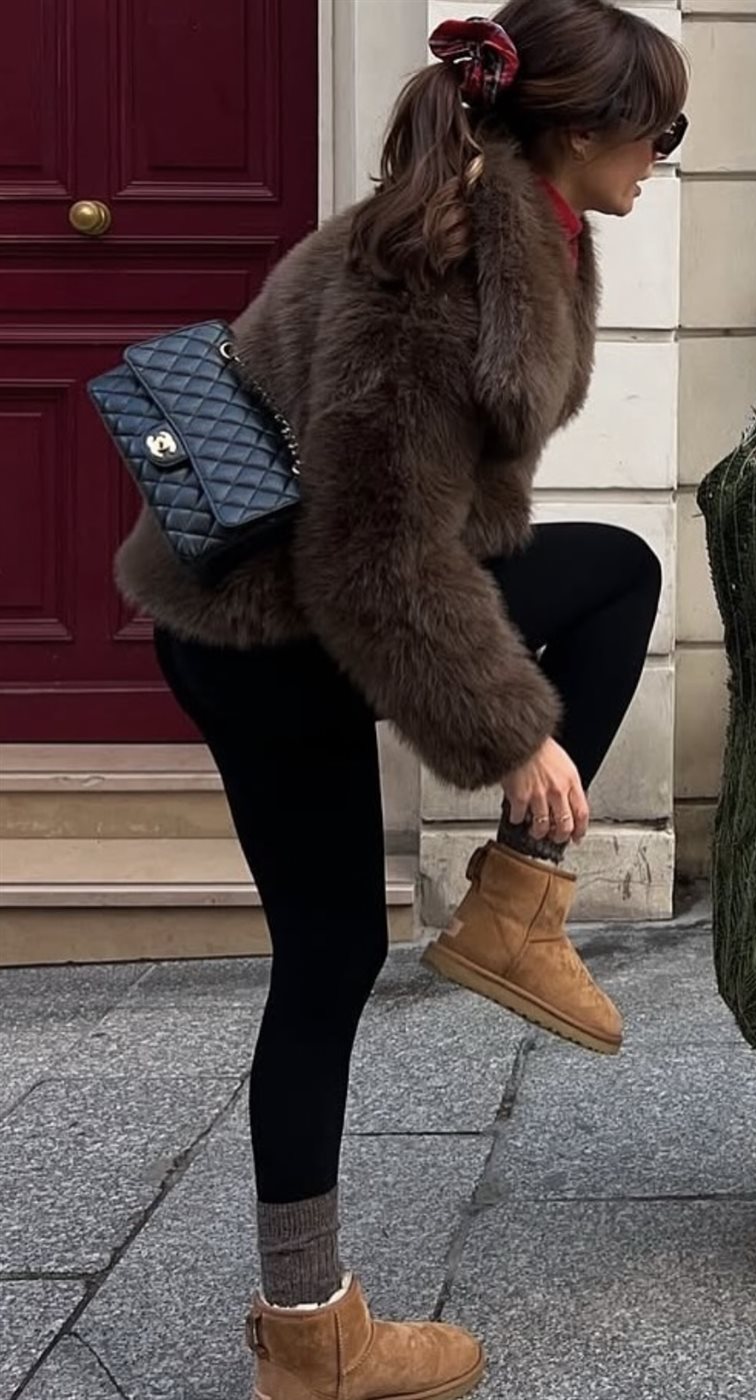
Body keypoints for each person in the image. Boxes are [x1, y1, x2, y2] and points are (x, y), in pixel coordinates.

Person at [115, 1, 689, 1395]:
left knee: (612, 575)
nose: (663, 159)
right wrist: (516, 732)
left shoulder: (514, 228)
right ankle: (316, 1331)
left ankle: (512, 914)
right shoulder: (437, 273)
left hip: (293, 598)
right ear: (578, 130)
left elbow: (413, 516)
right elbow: (372, 552)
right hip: (269, 627)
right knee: (329, 962)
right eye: (658, 132)